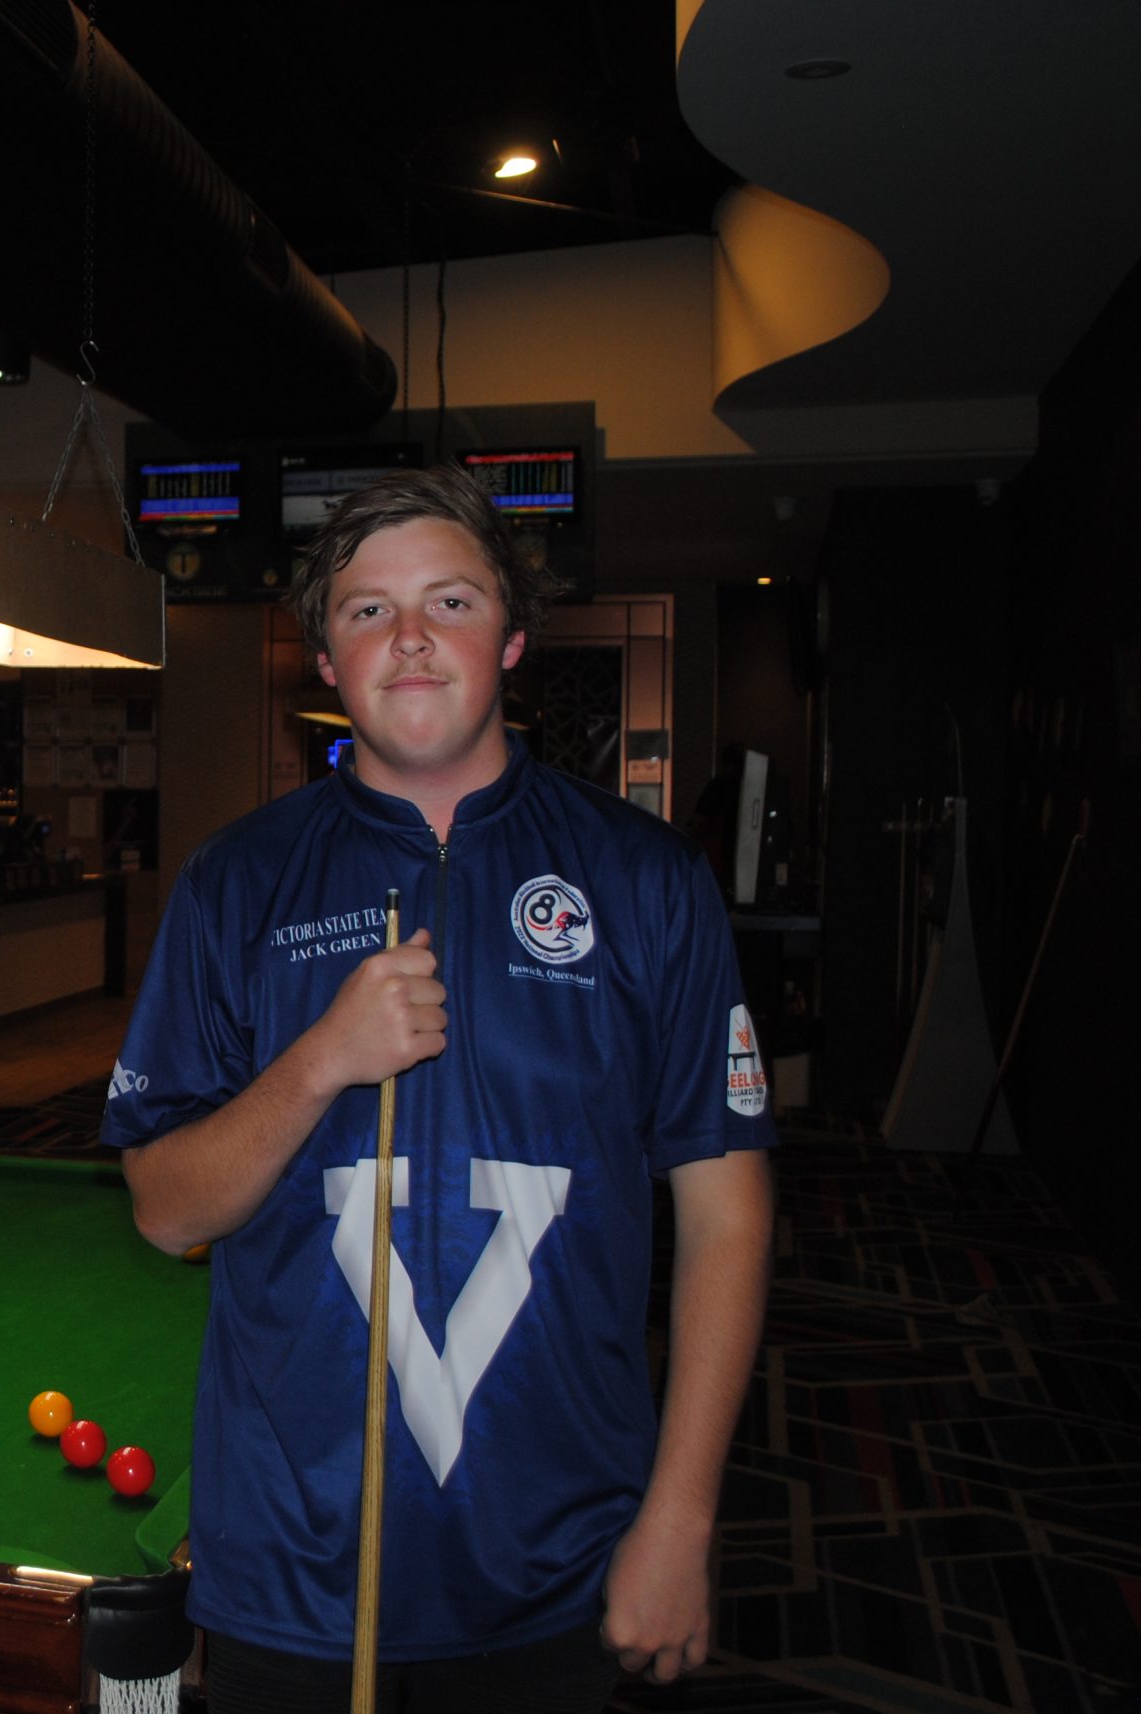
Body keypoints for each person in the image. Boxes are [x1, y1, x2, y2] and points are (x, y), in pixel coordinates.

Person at [104, 465, 774, 1712]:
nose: (408, 636)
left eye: (450, 601)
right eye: (368, 610)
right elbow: (164, 1208)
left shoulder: (646, 881)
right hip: (292, 1565)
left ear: (512, 638)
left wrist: (681, 1516)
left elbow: (725, 1214)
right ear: (326, 660)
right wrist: (321, 1059)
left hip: (560, 1557)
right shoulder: (232, 883)